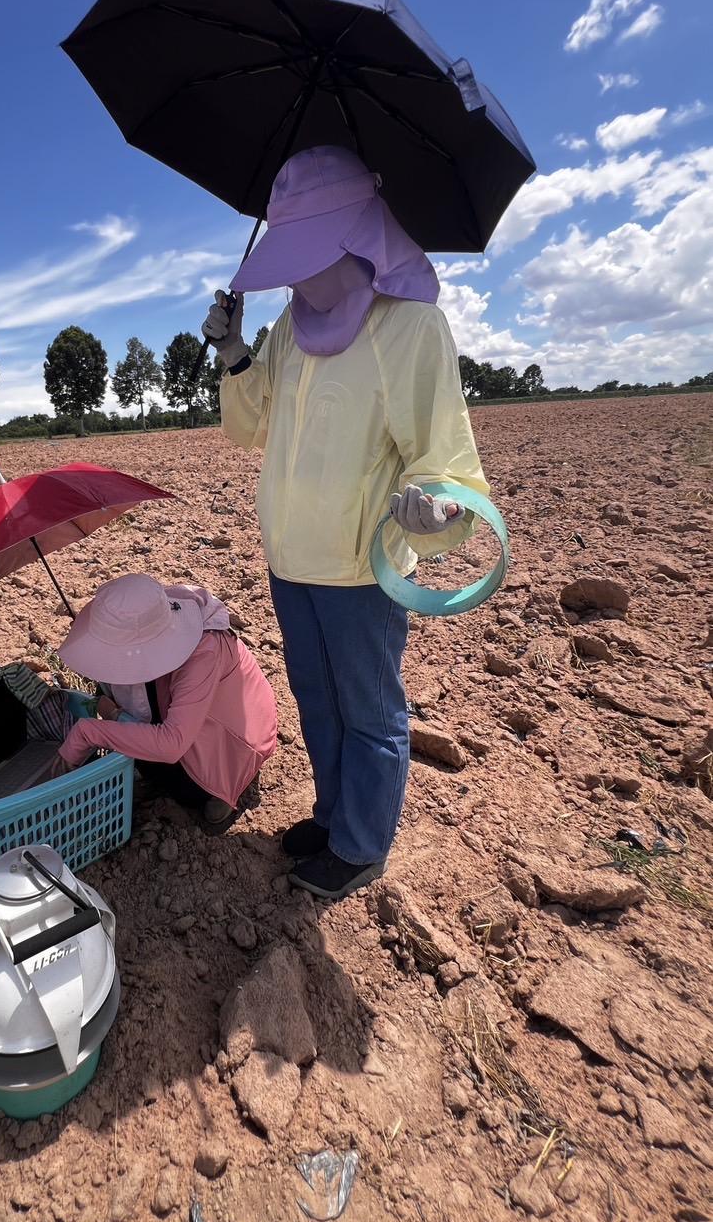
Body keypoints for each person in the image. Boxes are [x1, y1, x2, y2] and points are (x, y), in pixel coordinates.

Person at [202, 145, 490, 899]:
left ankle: (361, 846)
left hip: (363, 570)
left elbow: (444, 460)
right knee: (318, 699)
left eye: (306, 256)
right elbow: (251, 425)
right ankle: (333, 818)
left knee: (369, 709)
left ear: (358, 238)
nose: (294, 275)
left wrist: (439, 505)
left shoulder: (411, 330)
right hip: (291, 559)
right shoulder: (287, 332)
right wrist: (234, 349)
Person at [53, 574, 277, 832]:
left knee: (179, 784)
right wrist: (115, 714)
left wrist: (90, 731)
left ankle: (221, 787)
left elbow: (172, 744)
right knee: (135, 741)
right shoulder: (151, 614)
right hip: (189, 714)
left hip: (233, 739)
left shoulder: (204, 651)